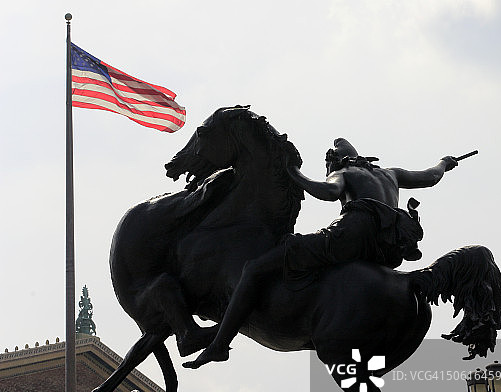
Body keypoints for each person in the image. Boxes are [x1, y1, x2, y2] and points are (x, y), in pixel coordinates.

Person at [183, 138, 458, 368]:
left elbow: (328, 192)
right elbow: (431, 177)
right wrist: (445, 162)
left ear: (338, 161)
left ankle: (220, 343)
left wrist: (294, 174)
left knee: (256, 268)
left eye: (329, 163)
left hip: (348, 235)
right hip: (383, 248)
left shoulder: (346, 172)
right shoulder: (391, 173)